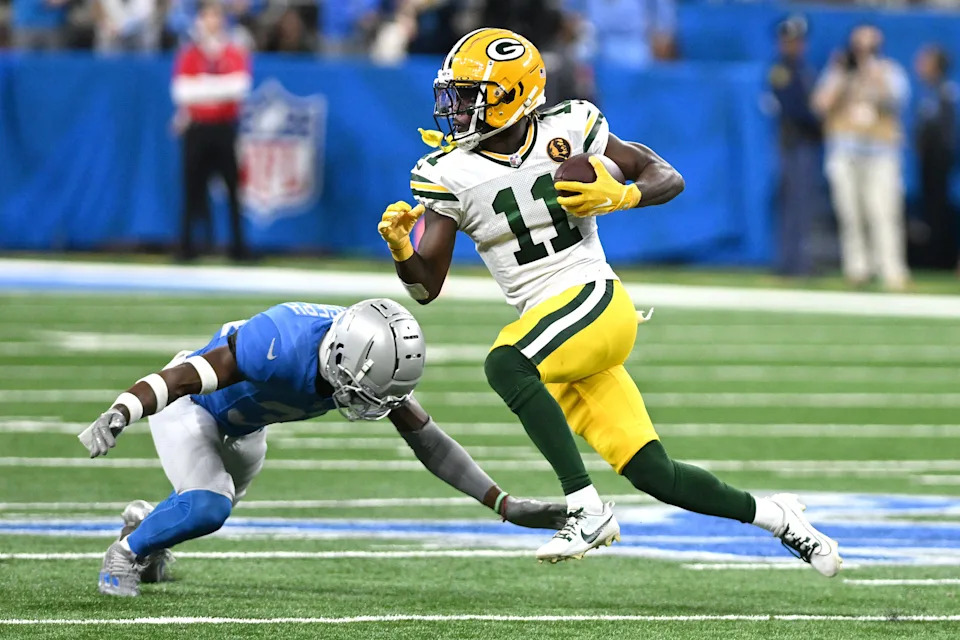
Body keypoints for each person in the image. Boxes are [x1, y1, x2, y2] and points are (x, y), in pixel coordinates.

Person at [377, 27, 842, 575]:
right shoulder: (447, 173)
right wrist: (404, 249)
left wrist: (624, 194)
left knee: (506, 362)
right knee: (655, 473)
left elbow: (666, 175)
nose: (454, 109)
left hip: (594, 300)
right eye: (451, 96)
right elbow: (425, 288)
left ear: (513, 94)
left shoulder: (570, 127)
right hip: (555, 333)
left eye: (467, 96)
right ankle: (778, 516)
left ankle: (584, 506)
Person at [79, 298, 565, 597]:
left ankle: (148, 524)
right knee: (209, 503)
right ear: (336, 356)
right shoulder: (279, 341)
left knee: (200, 504)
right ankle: (122, 555)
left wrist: (504, 504)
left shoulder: (370, 360)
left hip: (248, 428)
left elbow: (431, 445)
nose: (363, 403)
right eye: (360, 390)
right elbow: (185, 376)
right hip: (193, 408)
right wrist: (124, 409)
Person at [811, 25, 911, 291]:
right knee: (850, 212)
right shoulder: (838, 71)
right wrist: (841, 75)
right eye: (859, 48)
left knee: (884, 211)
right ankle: (857, 268)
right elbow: (820, 104)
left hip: (881, 150)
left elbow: (897, 100)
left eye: (871, 48)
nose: (864, 53)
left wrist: (874, 73)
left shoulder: (889, 71)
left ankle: (892, 269)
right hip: (845, 148)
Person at [171, 1, 251, 261]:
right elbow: (182, 92)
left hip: (224, 127)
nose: (211, 22)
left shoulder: (233, 51)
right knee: (191, 189)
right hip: (198, 128)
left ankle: (238, 248)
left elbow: (240, 87)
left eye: (216, 16)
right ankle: (187, 247)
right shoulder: (190, 53)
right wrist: (219, 88)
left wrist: (203, 87)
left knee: (233, 190)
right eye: (207, 16)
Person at [767, 15, 825, 277]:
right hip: (794, 141)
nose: (795, 46)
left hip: (805, 142)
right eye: (790, 41)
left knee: (801, 204)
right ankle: (792, 262)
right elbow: (795, 109)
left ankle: (797, 260)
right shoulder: (782, 71)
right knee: (794, 203)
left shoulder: (803, 69)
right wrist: (820, 121)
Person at [914, 45, 958, 271]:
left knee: (940, 212)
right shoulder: (929, 94)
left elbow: (948, 134)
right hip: (929, 166)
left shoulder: (945, 93)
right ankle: (935, 259)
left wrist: (944, 159)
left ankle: (943, 260)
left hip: (940, 165)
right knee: (931, 211)